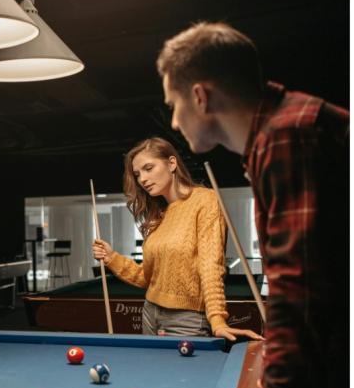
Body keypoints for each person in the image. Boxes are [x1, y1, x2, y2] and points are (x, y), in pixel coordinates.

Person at [157, 21, 349, 388]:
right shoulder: (287, 128)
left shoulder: (288, 136)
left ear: (200, 96)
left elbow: (298, 288)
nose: (175, 122)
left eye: (173, 105)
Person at [91, 137, 263, 341]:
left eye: (149, 168)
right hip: (150, 313)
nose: (142, 179)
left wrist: (217, 319)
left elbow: (211, 267)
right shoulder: (159, 216)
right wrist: (112, 258)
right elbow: (147, 277)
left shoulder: (205, 201)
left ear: (172, 163)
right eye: (137, 174)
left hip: (187, 320)